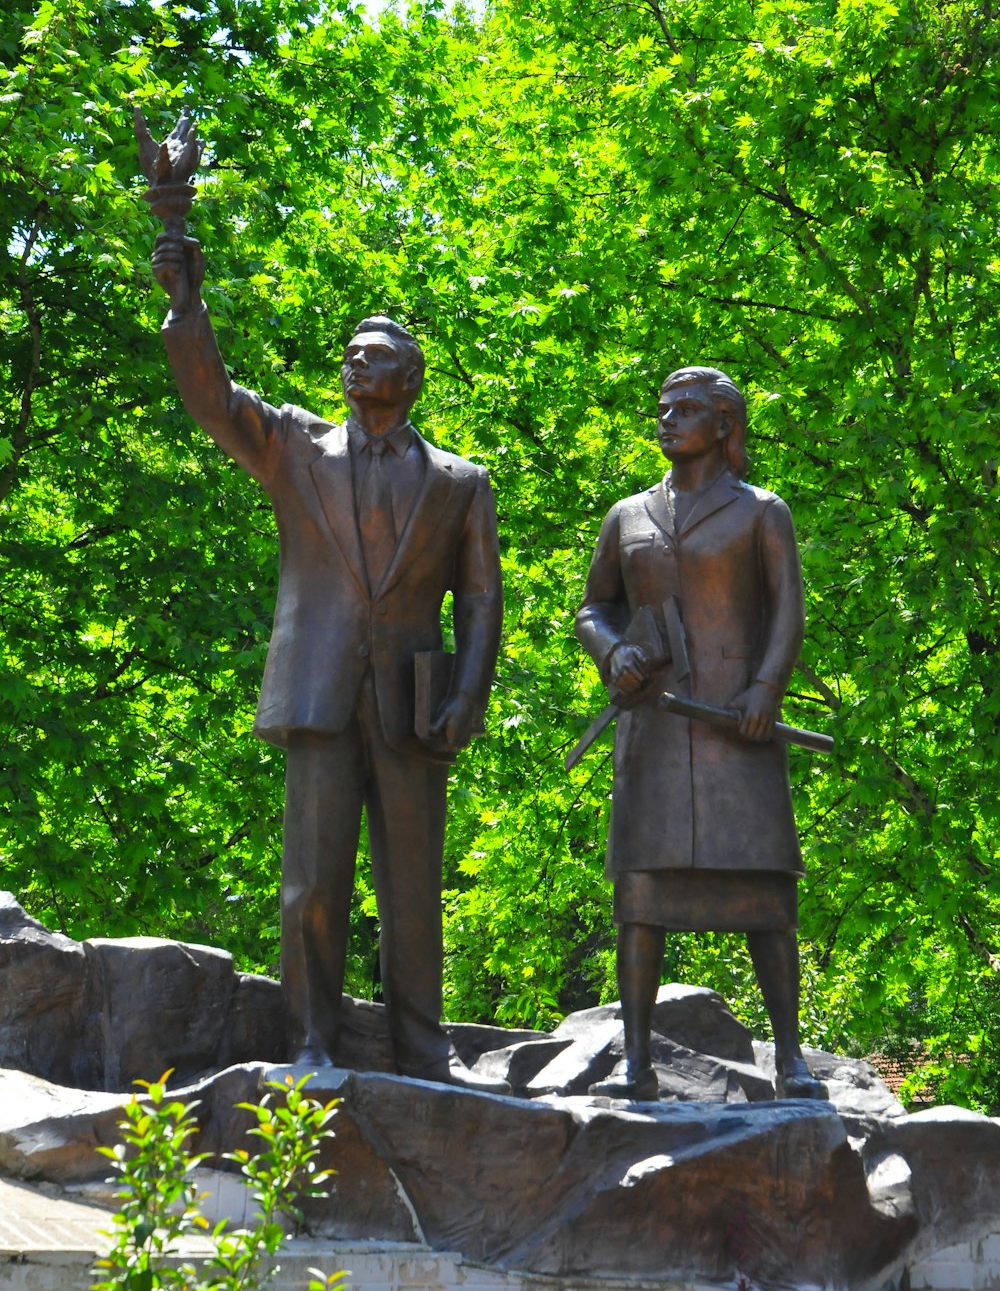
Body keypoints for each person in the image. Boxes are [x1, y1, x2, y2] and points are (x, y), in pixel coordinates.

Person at [151, 230, 505, 1089]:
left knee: (414, 891)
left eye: (374, 357)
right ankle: (310, 1040)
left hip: (413, 704)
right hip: (318, 694)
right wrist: (186, 305)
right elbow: (213, 400)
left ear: (410, 380)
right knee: (311, 884)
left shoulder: (460, 481)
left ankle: (423, 1050)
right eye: (349, 355)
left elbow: (483, 598)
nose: (354, 365)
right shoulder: (296, 449)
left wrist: (468, 694)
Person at [575, 365, 825, 1101]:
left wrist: (765, 689)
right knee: (642, 895)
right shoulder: (628, 514)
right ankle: (637, 1061)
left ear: (724, 425)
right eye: (662, 407)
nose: (667, 417)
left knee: (766, 896)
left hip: (735, 729)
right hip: (653, 730)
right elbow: (594, 608)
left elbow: (787, 611)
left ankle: (791, 1058)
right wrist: (612, 650)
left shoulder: (760, 511)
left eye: (685, 408)